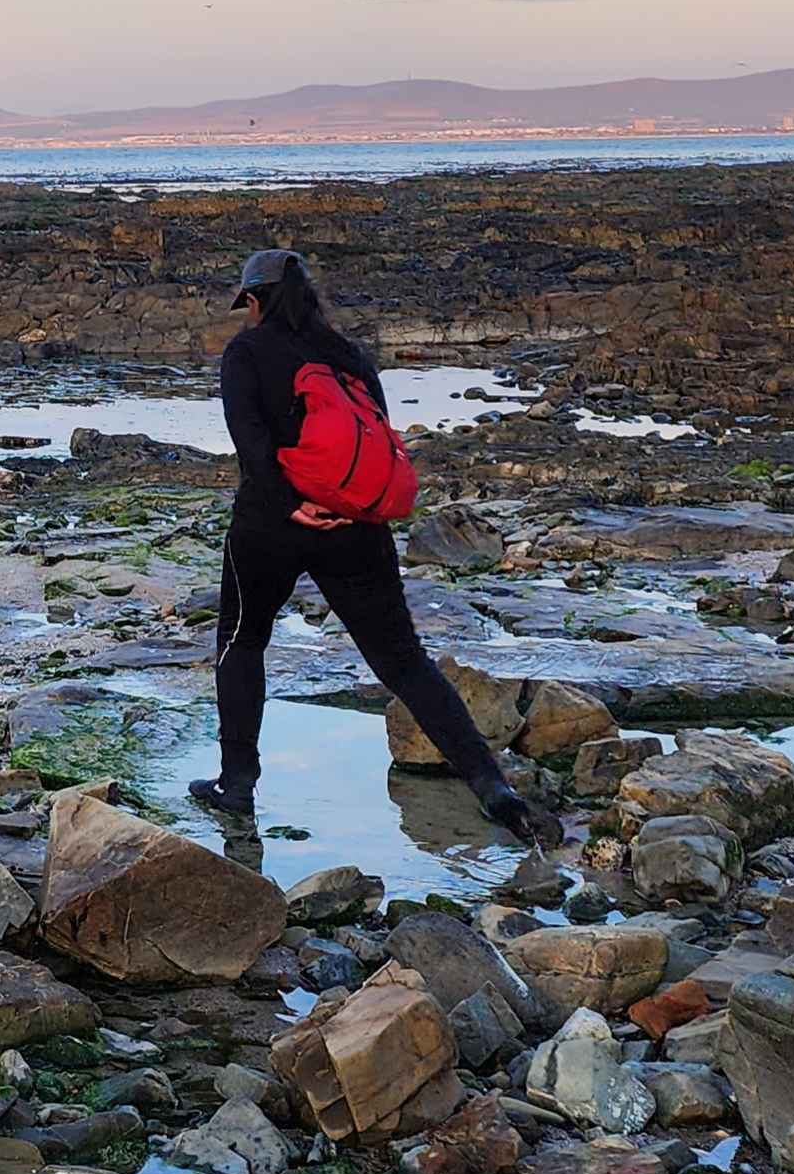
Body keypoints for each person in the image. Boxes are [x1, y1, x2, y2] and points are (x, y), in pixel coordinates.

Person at [188, 248, 561, 848]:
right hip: (357, 530)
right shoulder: (351, 360)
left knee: (243, 639)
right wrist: (340, 508)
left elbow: (250, 441)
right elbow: (377, 447)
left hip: (270, 526)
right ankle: (492, 786)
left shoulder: (247, 352)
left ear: (255, 301)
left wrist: (291, 504)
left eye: (249, 301)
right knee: (404, 662)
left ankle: (237, 786)